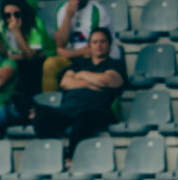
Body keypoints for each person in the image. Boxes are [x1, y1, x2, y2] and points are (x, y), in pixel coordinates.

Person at [33, 28, 126, 160]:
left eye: (103, 42)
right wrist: (90, 84)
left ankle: (71, 158)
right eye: (95, 42)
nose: (99, 45)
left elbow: (106, 81)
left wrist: (81, 75)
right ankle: (58, 156)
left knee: (81, 122)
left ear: (109, 44)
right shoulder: (79, 63)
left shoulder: (115, 64)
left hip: (96, 110)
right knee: (41, 118)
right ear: (89, 45)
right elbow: (65, 82)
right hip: (69, 109)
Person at [42, 0, 119, 92]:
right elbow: (60, 43)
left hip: (93, 57)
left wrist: (67, 53)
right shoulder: (62, 9)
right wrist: (68, 16)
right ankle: (50, 101)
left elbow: (97, 47)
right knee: (50, 65)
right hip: (74, 57)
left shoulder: (98, 10)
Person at [0, 0, 54, 108]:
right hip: (18, 58)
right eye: (8, 15)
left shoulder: (35, 23)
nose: (12, 18)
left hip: (43, 58)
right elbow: (2, 51)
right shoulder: (1, 25)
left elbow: (30, 56)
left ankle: (34, 106)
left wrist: (17, 33)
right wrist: (17, 56)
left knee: (29, 66)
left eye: (17, 14)